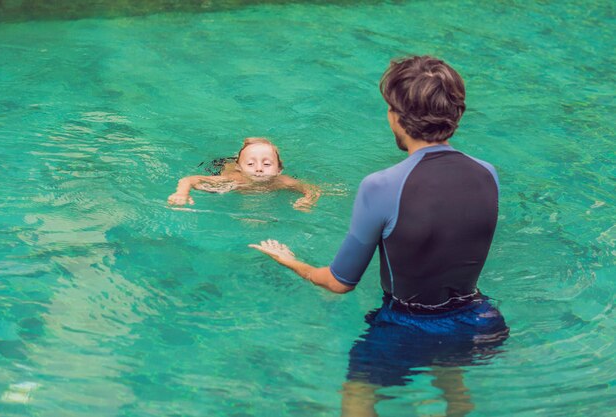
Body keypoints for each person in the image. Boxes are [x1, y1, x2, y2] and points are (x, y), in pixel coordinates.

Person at [249, 56, 509, 416]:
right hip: (475, 317)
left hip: (408, 322)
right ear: (457, 113)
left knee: (357, 399)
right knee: (453, 385)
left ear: (396, 116)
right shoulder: (488, 173)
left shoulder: (381, 186)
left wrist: (291, 261)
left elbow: (340, 282)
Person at [167, 137, 320, 211]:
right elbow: (189, 179)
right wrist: (182, 193)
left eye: (267, 164)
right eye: (251, 164)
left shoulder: (282, 181)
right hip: (222, 165)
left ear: (279, 170)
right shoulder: (232, 180)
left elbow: (312, 188)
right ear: (240, 168)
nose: (259, 169)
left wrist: (308, 200)